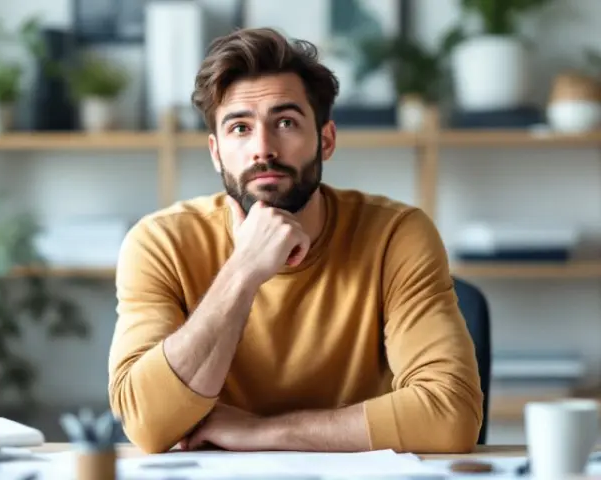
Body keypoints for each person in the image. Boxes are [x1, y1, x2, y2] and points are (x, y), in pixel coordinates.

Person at [108, 27, 483, 455]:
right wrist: (244, 270)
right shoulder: (159, 243)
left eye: (285, 122)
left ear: (325, 140)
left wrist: (265, 433)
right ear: (215, 152)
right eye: (239, 128)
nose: (263, 148)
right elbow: (145, 425)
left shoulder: (396, 235)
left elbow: (451, 416)